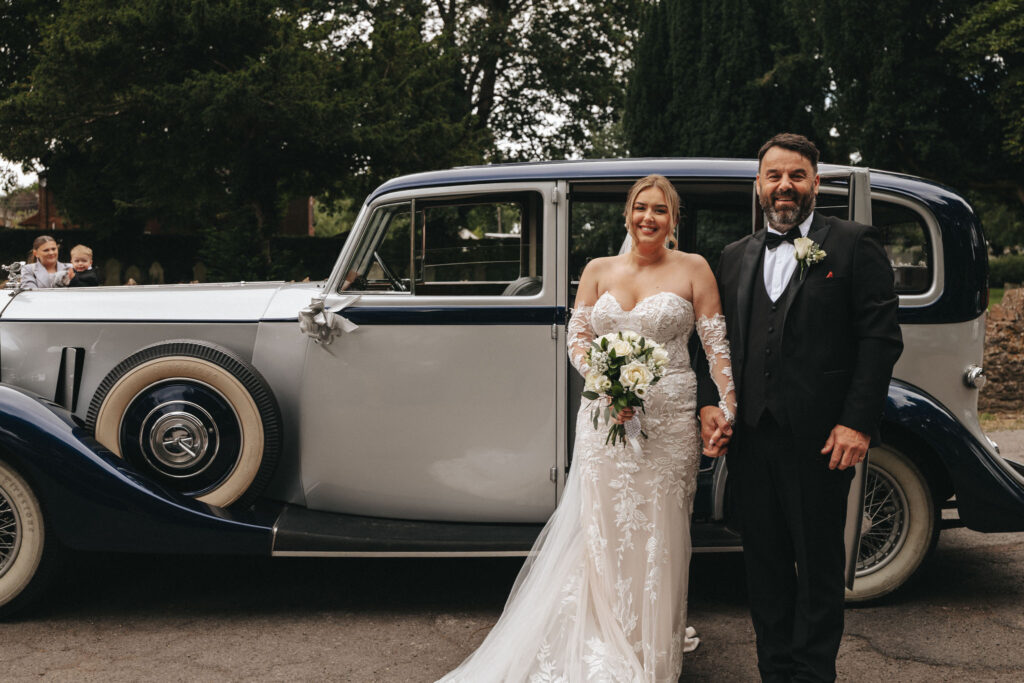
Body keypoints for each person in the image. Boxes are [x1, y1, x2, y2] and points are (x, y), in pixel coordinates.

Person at [439, 175, 736, 682]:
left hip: (669, 426)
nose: (648, 218)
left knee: (661, 532)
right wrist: (609, 384)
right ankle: (602, 639)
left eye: (660, 210)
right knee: (601, 528)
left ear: (673, 219)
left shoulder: (694, 269)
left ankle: (649, 644)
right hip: (606, 421)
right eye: (640, 208)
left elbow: (715, 345)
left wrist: (727, 406)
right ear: (627, 214)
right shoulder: (597, 270)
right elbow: (578, 340)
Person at [697, 133, 903, 682]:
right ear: (759, 185)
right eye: (774, 176)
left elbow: (880, 340)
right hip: (751, 441)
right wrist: (708, 407)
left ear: (815, 182)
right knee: (762, 568)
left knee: (816, 568)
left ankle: (814, 675)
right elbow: (715, 344)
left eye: (796, 176)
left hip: (821, 440)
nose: (784, 186)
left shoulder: (855, 243)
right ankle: (775, 671)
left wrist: (857, 421)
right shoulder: (735, 255)